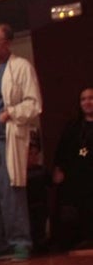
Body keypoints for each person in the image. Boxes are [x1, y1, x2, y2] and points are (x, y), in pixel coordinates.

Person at [0, 23, 42, 261]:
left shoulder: (20, 67)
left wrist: (10, 113)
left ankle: (20, 242)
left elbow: (34, 104)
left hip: (6, 139)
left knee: (10, 192)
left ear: (7, 43)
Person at [51, 87, 93, 249]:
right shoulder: (73, 126)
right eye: (83, 99)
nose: (87, 102)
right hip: (75, 176)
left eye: (91, 98)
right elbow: (62, 150)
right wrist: (58, 169)